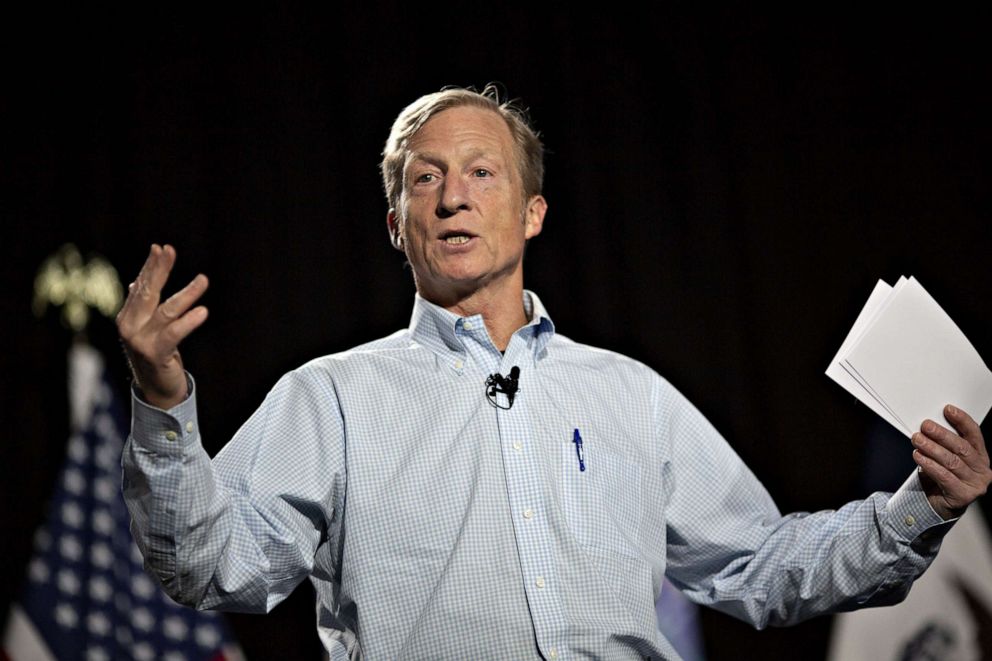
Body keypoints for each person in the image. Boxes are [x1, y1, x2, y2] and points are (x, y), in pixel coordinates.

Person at [118, 87, 991, 660]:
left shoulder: (630, 395)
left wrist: (923, 506)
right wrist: (163, 402)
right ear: (396, 223)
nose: (454, 196)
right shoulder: (332, 398)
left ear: (532, 213)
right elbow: (206, 564)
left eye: (481, 173)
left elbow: (763, 565)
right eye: (427, 179)